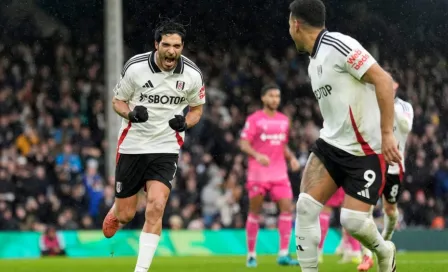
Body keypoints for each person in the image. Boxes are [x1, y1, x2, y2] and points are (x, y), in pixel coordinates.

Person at [287, 1, 402, 271]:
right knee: (305, 206)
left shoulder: (338, 45)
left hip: (366, 151)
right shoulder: (313, 62)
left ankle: (384, 251)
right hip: (332, 145)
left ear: (296, 24)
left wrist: (387, 134)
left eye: (288, 25)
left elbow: (383, 80)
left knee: (353, 222)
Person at [101, 19, 205, 272]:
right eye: (167, 45)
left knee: (156, 205)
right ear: (156, 44)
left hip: (166, 146)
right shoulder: (136, 68)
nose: (172, 51)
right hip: (133, 145)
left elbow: (197, 109)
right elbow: (118, 102)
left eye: (177, 46)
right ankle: (118, 208)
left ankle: (141, 270)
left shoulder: (192, 74)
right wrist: (132, 114)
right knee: (126, 215)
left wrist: (185, 123)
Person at [239, 85, 301, 267]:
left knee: (287, 209)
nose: (275, 99)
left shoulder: (284, 120)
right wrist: (257, 155)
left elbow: (282, 145)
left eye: (277, 96)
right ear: (263, 98)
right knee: (255, 212)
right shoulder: (254, 119)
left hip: (279, 173)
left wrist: (292, 158)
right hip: (258, 174)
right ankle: (251, 254)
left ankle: (283, 254)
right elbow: (243, 143)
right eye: (271, 96)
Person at [357, 71, 414, 271]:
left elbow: (406, 127)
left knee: (390, 209)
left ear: (396, 84)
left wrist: (388, 105)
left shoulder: (405, 106)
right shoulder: (370, 103)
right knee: (363, 210)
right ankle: (366, 255)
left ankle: (385, 240)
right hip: (371, 163)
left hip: (394, 167)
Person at [318, 188, 362, 264]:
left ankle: (317, 253)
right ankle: (355, 252)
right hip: (346, 181)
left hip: (333, 180)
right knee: (348, 213)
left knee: (327, 209)